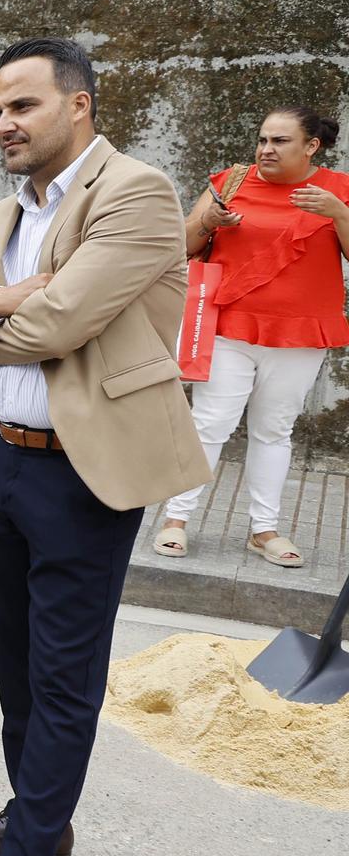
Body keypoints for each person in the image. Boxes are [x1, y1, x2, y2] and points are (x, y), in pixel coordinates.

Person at [0, 37, 209, 856]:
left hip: (83, 473)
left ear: (79, 105)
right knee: (14, 668)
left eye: (24, 107)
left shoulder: (136, 192)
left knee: (62, 680)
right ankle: (37, 822)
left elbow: (65, 321)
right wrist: (11, 298)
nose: (5, 123)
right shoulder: (3, 212)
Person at [156, 105, 349, 568]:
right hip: (228, 326)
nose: (266, 149)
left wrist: (339, 214)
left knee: (274, 432)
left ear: (311, 146)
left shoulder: (337, 191)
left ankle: (264, 531)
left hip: (300, 334)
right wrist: (209, 224)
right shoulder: (231, 182)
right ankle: (176, 518)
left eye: (279, 141)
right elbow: (180, 244)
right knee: (209, 423)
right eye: (262, 139)